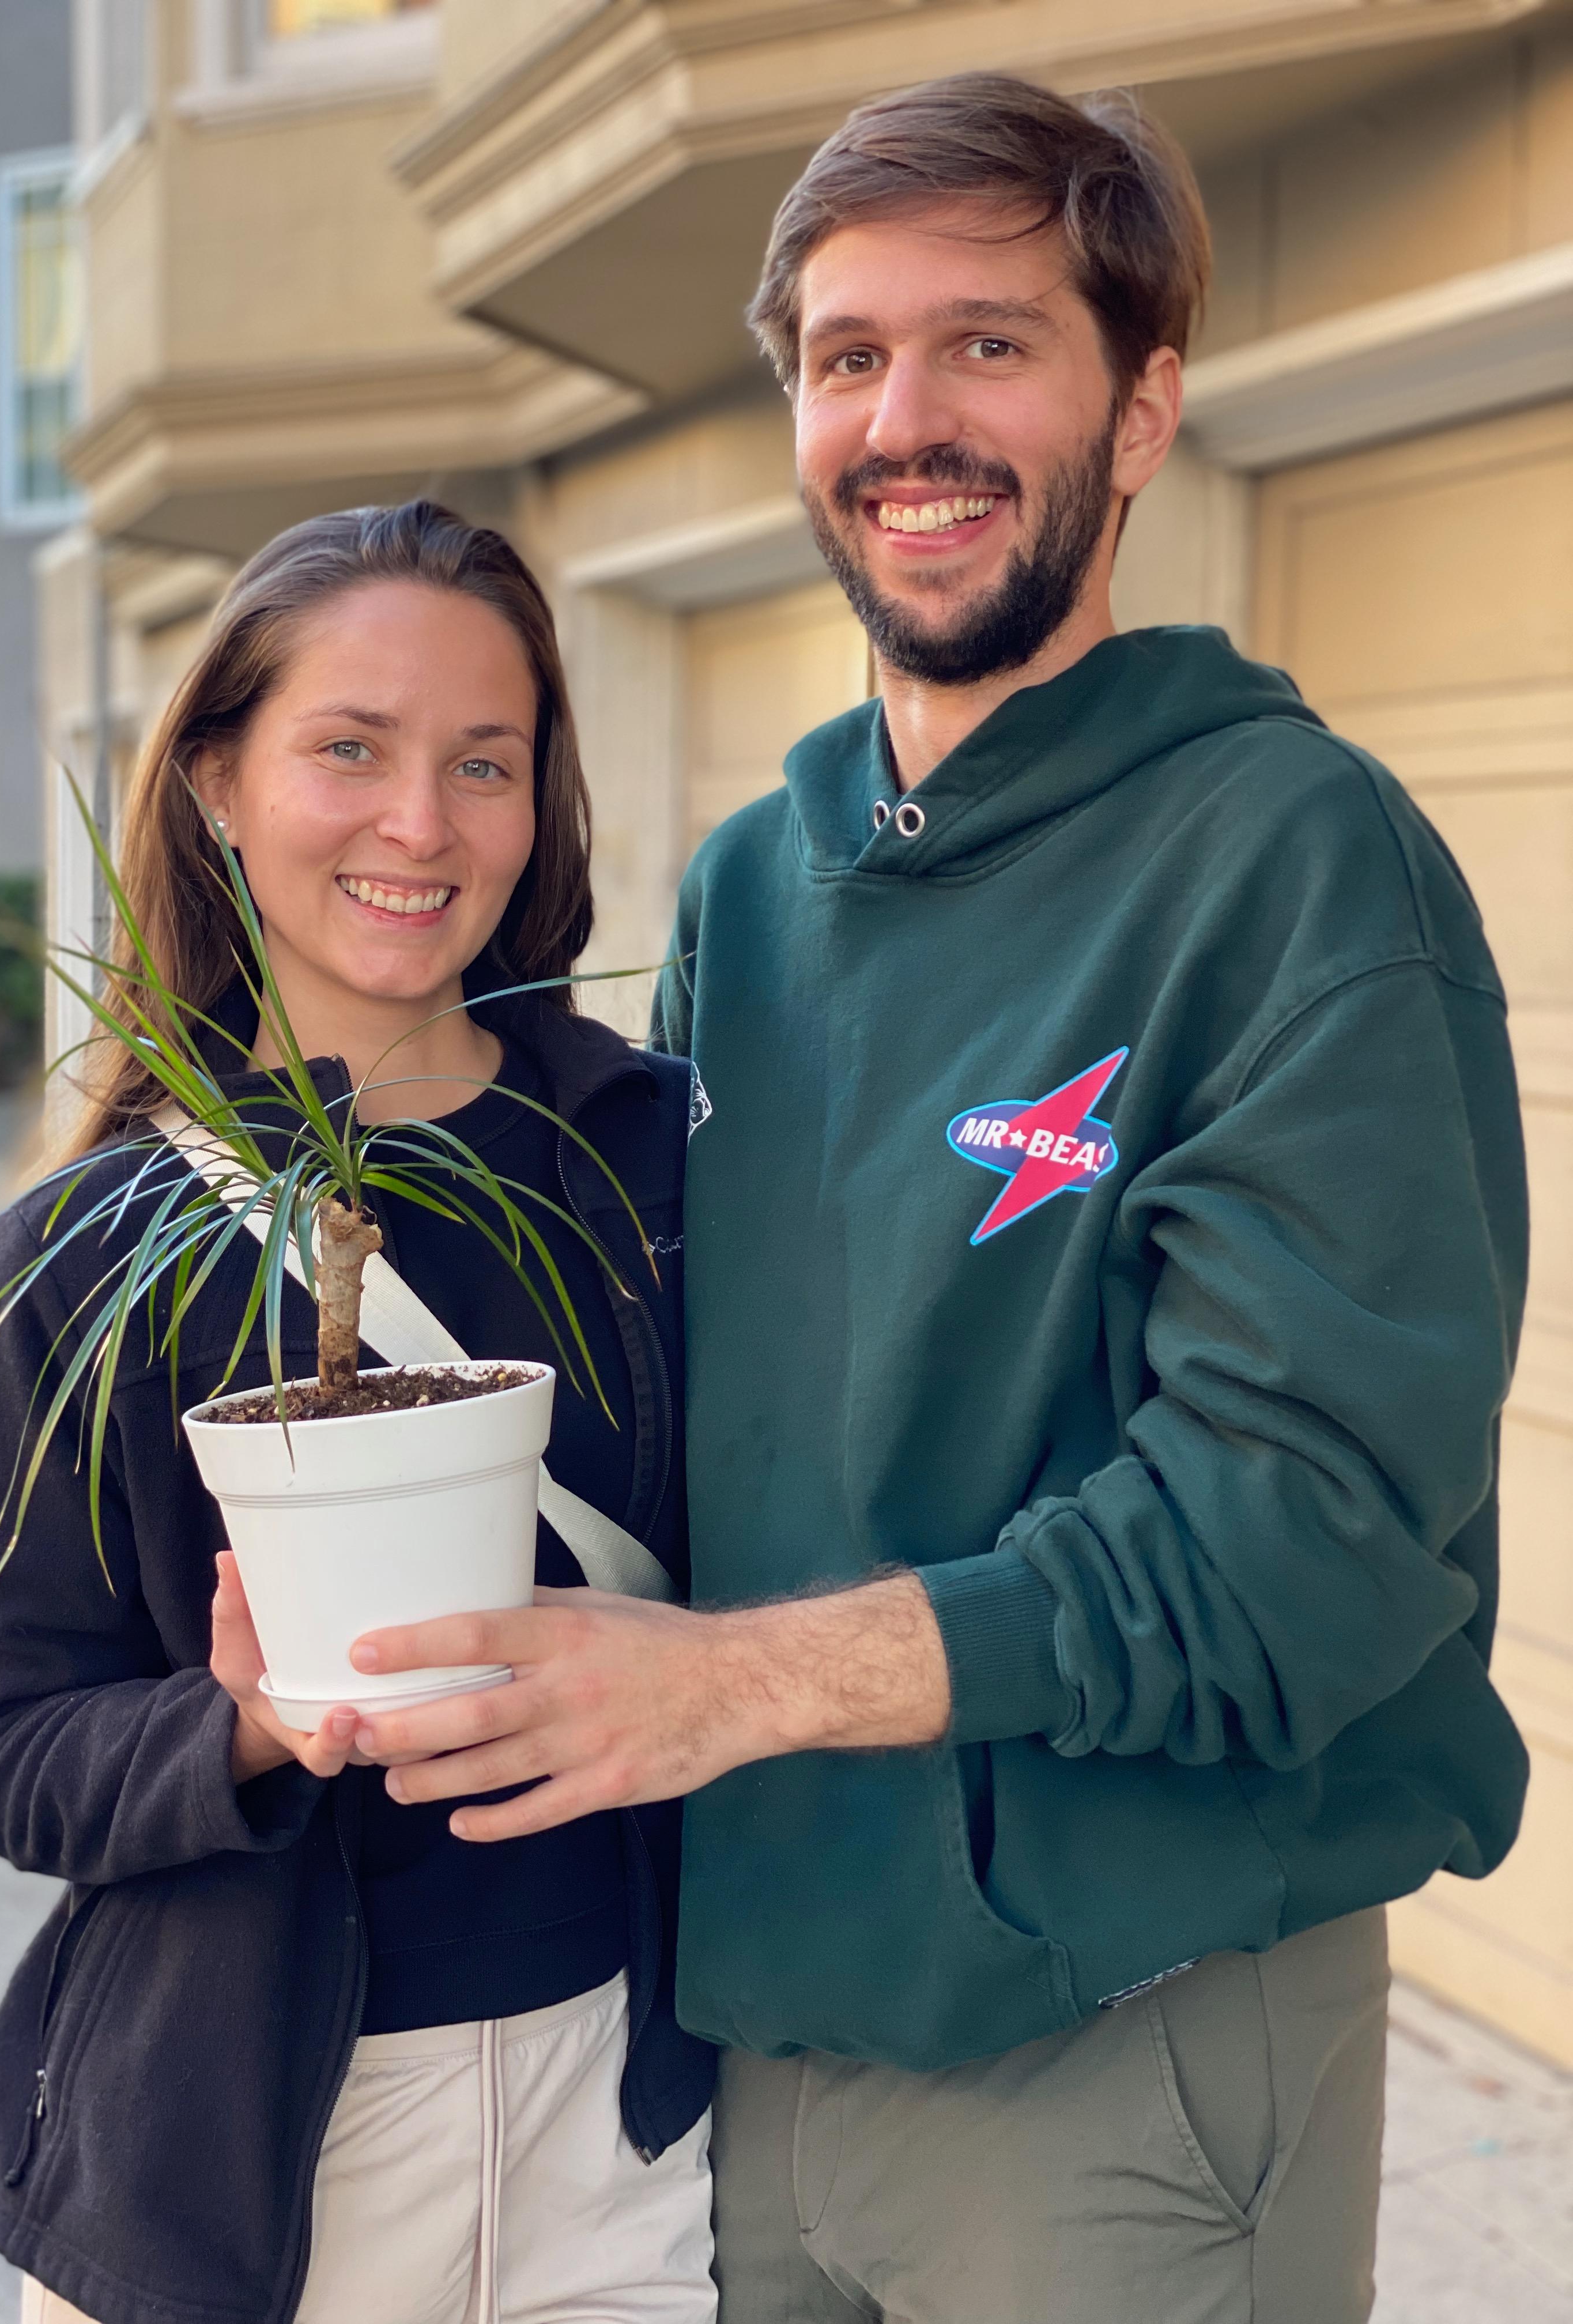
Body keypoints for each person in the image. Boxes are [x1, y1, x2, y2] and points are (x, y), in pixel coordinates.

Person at [330, 76, 1530, 2324]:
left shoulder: (1289, 863)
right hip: (762, 2034)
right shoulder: (746, 892)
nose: (910, 418)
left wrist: (734, 1693)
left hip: (1125, 2027)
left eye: (991, 344)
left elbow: (1314, 1548)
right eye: (850, 356)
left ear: (1143, 406)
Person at [0, 501, 716, 2324]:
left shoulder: (661, 1160)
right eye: (347, 749)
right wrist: (251, 1729)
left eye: (483, 764)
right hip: (243, 2170)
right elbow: (4, 1744)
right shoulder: (83, 1250)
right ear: (214, 776)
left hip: (632, 2126)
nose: (421, 825)